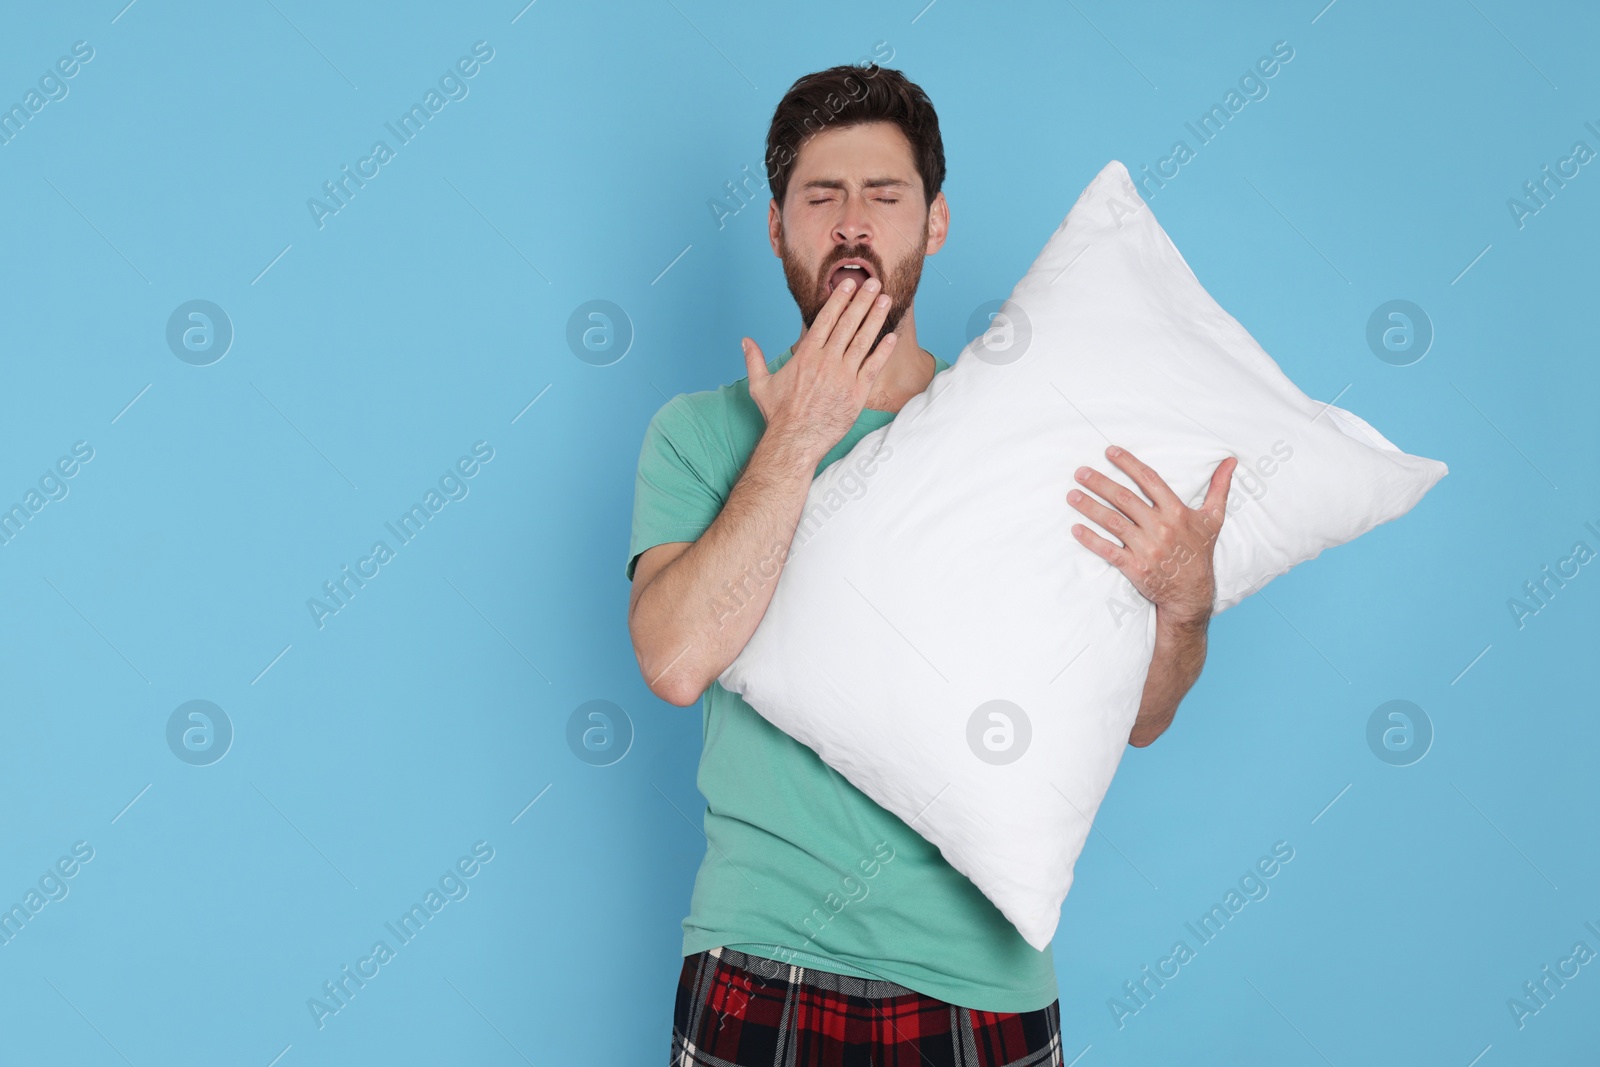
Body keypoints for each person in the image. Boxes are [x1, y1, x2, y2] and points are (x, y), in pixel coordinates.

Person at [626, 63, 1233, 1067]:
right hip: (760, 962)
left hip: (980, 975)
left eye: (885, 195)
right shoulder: (698, 434)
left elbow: (1139, 715)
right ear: (776, 228)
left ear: (934, 223)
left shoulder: (1020, 439)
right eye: (821, 197)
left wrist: (1185, 607)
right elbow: (677, 657)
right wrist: (801, 434)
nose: (852, 222)